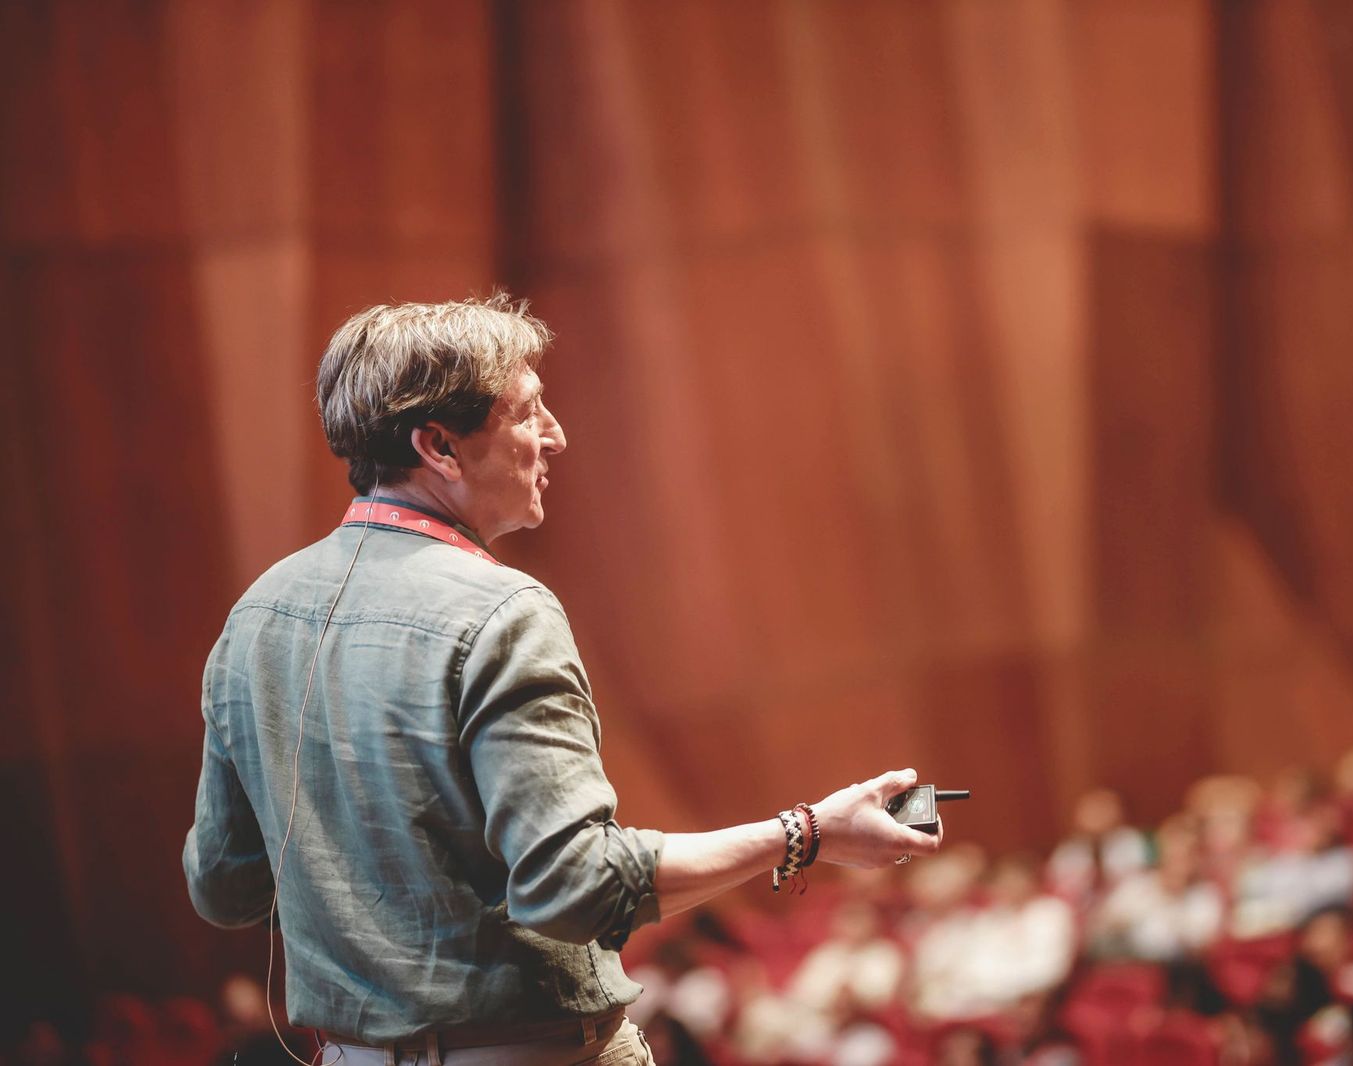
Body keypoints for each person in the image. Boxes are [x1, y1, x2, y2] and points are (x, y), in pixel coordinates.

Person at [183, 295, 942, 1066]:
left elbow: (224, 886)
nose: (556, 436)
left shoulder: (256, 614)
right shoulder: (503, 611)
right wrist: (807, 834)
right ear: (439, 446)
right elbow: (573, 888)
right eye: (528, 412)